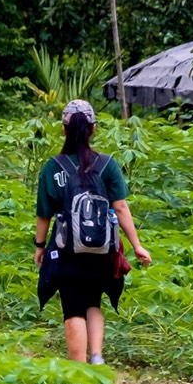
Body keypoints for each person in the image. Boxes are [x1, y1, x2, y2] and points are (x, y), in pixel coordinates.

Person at [33, 100, 151, 366]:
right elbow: (120, 208)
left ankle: (78, 368)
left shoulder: (53, 167)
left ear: (64, 129)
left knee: (73, 306)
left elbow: (44, 213)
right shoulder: (108, 164)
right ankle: (96, 355)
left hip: (67, 248)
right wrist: (137, 246)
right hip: (101, 248)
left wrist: (40, 245)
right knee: (93, 301)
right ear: (93, 129)